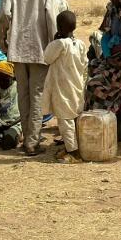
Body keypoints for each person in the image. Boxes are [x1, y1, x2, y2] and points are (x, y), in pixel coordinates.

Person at [0, 0, 64, 156]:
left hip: (17, 48)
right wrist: (52, 45)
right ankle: (32, 142)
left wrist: (3, 43)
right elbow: (51, 18)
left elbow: (4, 15)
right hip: (40, 48)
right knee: (37, 96)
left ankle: (28, 137)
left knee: (23, 95)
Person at [42, 10, 88, 164]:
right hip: (76, 86)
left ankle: (73, 154)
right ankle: (73, 147)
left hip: (62, 89)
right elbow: (85, 64)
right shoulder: (80, 44)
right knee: (74, 118)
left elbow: (47, 58)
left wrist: (55, 40)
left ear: (59, 27)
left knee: (65, 120)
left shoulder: (59, 44)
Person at [0, 61, 23, 151]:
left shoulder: (18, 87)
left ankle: (17, 136)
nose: (1, 82)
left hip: (14, 123)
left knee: (7, 143)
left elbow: (25, 112)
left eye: (5, 79)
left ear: (11, 77)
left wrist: (11, 124)